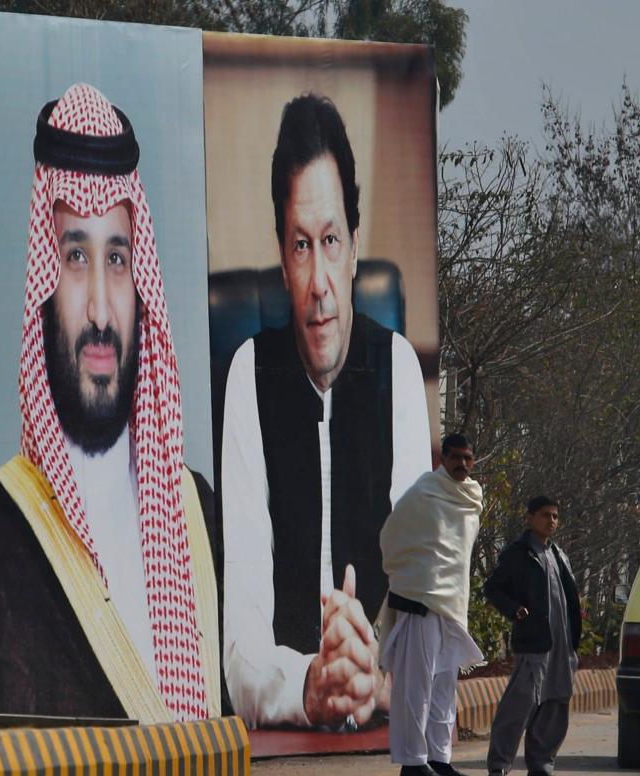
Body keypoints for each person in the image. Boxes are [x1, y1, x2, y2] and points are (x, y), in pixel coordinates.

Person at [0, 83, 221, 726]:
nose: (103, 311)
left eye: (118, 258)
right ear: (42, 287)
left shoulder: (199, 512)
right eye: (75, 257)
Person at [221, 92, 433, 729]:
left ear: (355, 247)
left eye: (331, 241)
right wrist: (312, 683)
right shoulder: (248, 376)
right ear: (282, 260)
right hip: (286, 748)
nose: (319, 283)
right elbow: (242, 649)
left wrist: (374, 680)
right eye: (301, 244)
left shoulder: (395, 366)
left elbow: (425, 610)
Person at [378, 433, 484, 776]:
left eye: (468, 458)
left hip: (453, 607)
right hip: (421, 602)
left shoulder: (472, 498)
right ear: (443, 459)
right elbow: (391, 536)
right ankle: (413, 763)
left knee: (443, 690)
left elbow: (457, 554)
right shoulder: (424, 492)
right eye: (456, 457)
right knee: (415, 688)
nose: (463, 464)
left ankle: (440, 758)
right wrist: (411, 577)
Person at [483, 497, 582, 776]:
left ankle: (541, 765)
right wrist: (515, 610)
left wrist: (575, 643)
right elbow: (492, 588)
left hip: (562, 647)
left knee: (554, 706)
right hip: (534, 644)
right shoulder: (518, 553)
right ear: (530, 518)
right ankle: (499, 766)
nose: (551, 521)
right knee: (518, 708)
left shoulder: (558, 554)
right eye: (544, 515)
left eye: (554, 516)